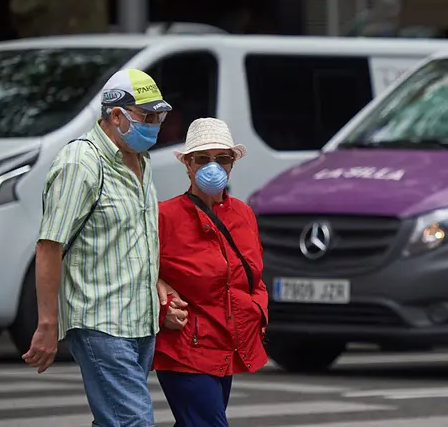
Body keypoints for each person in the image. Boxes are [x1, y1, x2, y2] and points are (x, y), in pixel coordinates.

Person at [24, 68, 183, 426]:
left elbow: (133, 240)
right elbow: (50, 246)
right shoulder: (82, 162)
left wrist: (157, 287)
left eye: (160, 116)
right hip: (100, 321)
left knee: (113, 419)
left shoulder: (140, 161)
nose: (157, 124)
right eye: (148, 116)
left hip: (139, 323)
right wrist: (48, 324)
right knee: (133, 421)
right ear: (116, 115)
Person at [155, 118, 269, 427]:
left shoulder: (243, 214)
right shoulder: (164, 215)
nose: (212, 166)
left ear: (232, 164)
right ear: (188, 165)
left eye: (222, 159)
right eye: (203, 159)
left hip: (227, 347)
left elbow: (253, 276)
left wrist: (258, 312)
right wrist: (162, 304)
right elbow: (137, 270)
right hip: (184, 350)